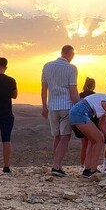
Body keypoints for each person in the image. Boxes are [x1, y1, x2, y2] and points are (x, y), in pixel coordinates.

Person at [41, 45, 78, 177]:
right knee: (65, 136)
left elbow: (44, 88)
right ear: (70, 54)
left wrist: (44, 106)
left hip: (52, 106)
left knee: (56, 136)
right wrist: (79, 106)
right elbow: (73, 90)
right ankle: (56, 166)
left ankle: (55, 164)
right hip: (66, 106)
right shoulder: (71, 68)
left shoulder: (47, 66)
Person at [74, 77, 97, 172]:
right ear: (93, 85)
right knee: (91, 144)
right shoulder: (94, 95)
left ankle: (82, 165)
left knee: (83, 145)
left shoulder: (81, 95)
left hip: (81, 120)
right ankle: (90, 165)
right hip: (91, 120)